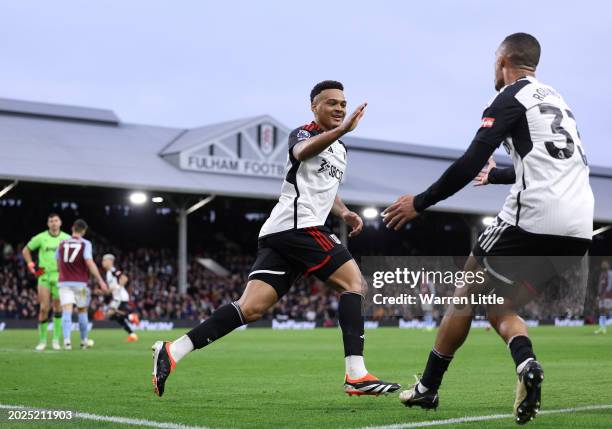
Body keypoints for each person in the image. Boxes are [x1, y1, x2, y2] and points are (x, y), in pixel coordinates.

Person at [382, 33, 593, 424]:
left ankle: (428, 389)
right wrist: (499, 175)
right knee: (500, 305)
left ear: (502, 62)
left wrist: (420, 202)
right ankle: (526, 363)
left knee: (466, 289)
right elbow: (556, 162)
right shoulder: (558, 100)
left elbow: (469, 160)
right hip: (578, 226)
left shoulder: (510, 97)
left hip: (534, 214)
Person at [152, 80, 401, 398]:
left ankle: (173, 351)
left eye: (343, 103)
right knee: (354, 284)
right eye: (331, 103)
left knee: (250, 308)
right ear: (314, 106)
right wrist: (343, 130)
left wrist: (344, 212)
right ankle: (356, 374)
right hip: (299, 227)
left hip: (280, 233)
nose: (339, 108)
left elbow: (323, 187)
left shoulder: (340, 149)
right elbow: (301, 152)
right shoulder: (304, 133)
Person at [57, 219, 108, 349]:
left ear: (72, 228)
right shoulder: (85, 244)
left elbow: (58, 263)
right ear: (84, 231)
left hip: (64, 282)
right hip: (80, 283)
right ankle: (83, 340)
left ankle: (67, 341)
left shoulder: (62, 243)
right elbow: (89, 262)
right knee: (82, 310)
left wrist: (63, 275)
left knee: (66, 311)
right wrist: (100, 280)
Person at [22, 213, 70, 351]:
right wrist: (31, 264)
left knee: (58, 308)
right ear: (48, 224)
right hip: (43, 274)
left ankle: (55, 340)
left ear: (60, 223)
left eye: (56, 220)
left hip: (60, 276)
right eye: (51, 221)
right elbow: (26, 250)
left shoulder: (66, 238)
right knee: (44, 308)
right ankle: (42, 341)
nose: (54, 223)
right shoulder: (41, 237)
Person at [102, 253, 139, 342]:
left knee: (110, 314)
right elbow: (114, 287)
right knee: (116, 317)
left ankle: (131, 317)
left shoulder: (113, 270)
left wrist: (117, 288)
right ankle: (132, 334)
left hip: (120, 297)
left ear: (110, 261)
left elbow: (124, 278)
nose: (102, 263)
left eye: (104, 260)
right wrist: (106, 291)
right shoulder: (108, 273)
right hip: (117, 297)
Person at [595, 260, 611, 334]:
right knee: (602, 311)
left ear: (608, 265)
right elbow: (600, 286)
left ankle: (603, 327)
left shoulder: (610, 273)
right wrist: (598, 295)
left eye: (605, 264)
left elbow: (610, 285)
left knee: (606, 311)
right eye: (602, 264)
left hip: (608, 296)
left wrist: (604, 294)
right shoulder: (602, 274)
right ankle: (602, 328)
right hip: (601, 296)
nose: (603, 265)